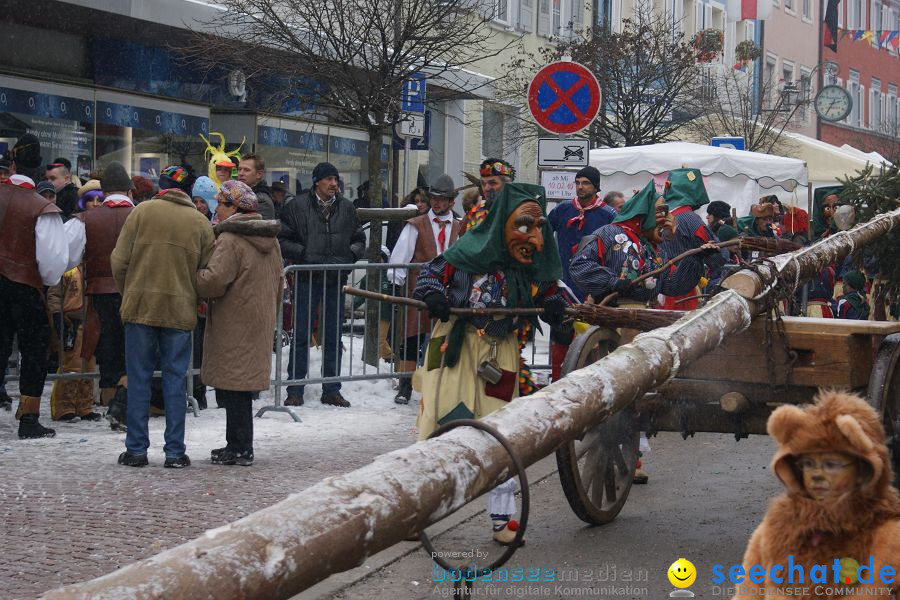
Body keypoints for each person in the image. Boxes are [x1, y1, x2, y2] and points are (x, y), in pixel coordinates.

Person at [414, 182, 567, 545]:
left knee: (502, 434)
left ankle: (502, 519)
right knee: (443, 424)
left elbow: (551, 291)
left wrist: (556, 304)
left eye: (540, 228)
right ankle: (416, 513)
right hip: (454, 348)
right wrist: (434, 295)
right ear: (504, 222)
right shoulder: (464, 252)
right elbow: (429, 278)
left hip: (501, 352)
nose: (535, 239)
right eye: (525, 226)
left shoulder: (528, 264)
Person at [734, 390, 900, 599]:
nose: (817, 475)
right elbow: (749, 592)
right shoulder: (774, 529)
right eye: (809, 464)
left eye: (830, 464)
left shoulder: (887, 537)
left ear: (863, 470)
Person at [111, 176, 215, 468]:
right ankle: (174, 451)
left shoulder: (141, 212)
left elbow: (119, 261)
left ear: (162, 188)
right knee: (175, 380)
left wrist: (129, 290)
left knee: (139, 378)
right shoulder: (199, 222)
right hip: (179, 310)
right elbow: (206, 271)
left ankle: (136, 449)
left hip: (141, 307)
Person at [197, 181, 283, 466]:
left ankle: (240, 447)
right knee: (240, 387)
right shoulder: (270, 240)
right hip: (257, 319)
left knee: (233, 387)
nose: (216, 208)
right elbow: (281, 281)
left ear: (235, 208)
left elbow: (213, 281)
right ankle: (237, 444)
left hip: (233, 321)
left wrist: (193, 275)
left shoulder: (231, 239)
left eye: (221, 203)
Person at [279, 161, 365, 408]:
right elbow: (282, 238)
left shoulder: (347, 208)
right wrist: (303, 253)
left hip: (335, 277)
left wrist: (349, 256)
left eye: (336, 179)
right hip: (307, 277)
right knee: (302, 334)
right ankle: (295, 388)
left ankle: (332, 388)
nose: (333, 184)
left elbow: (359, 239)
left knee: (332, 334)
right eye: (328, 179)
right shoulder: (296, 207)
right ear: (317, 181)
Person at [0, 183, 79, 438]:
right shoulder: (41, 207)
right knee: (34, 351)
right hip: (26, 286)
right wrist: (42, 281)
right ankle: (29, 417)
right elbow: (52, 261)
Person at [69, 161, 137, 432]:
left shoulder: (86, 219)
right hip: (135, 292)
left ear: (105, 190)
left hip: (100, 295)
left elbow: (66, 257)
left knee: (107, 350)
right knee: (134, 350)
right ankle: (121, 405)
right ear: (130, 190)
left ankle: (111, 402)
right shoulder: (142, 215)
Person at [388, 174, 461, 405]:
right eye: (434, 198)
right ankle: (405, 385)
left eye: (443, 199)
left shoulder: (461, 226)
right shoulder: (416, 224)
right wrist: (396, 282)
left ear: (452, 202)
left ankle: (436, 383)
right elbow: (400, 256)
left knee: (442, 336)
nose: (437, 203)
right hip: (418, 288)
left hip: (449, 289)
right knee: (411, 337)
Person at [659, 168, 727, 310]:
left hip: (661, 284)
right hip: (683, 286)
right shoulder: (690, 218)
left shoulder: (660, 215)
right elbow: (715, 255)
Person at [548, 166, 617, 302]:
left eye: (585, 183)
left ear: (596, 186)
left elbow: (616, 252)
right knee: (561, 321)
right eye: (577, 182)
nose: (580, 187)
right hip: (563, 282)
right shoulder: (562, 209)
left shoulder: (608, 215)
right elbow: (544, 236)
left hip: (594, 286)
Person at [460, 158, 515, 233]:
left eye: (492, 183)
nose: (486, 188)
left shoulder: (518, 211)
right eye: (483, 183)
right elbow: (468, 243)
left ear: (507, 186)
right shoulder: (475, 214)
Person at [236, 154, 275, 220]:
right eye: (239, 169)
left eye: (246, 170)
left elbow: (255, 228)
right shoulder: (237, 194)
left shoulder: (261, 200)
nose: (241, 173)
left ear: (259, 174)